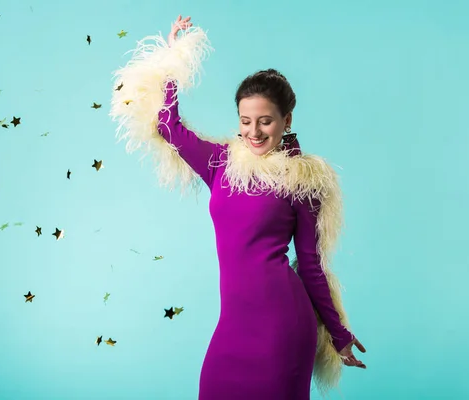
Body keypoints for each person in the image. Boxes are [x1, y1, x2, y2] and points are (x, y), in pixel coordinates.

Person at [110, 15, 367, 400]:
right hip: (233, 324)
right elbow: (168, 126)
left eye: (265, 121)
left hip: (283, 325)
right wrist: (174, 57)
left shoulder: (302, 181)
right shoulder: (220, 163)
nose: (254, 131)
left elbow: (311, 266)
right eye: (245, 121)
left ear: (286, 120)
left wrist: (338, 333)